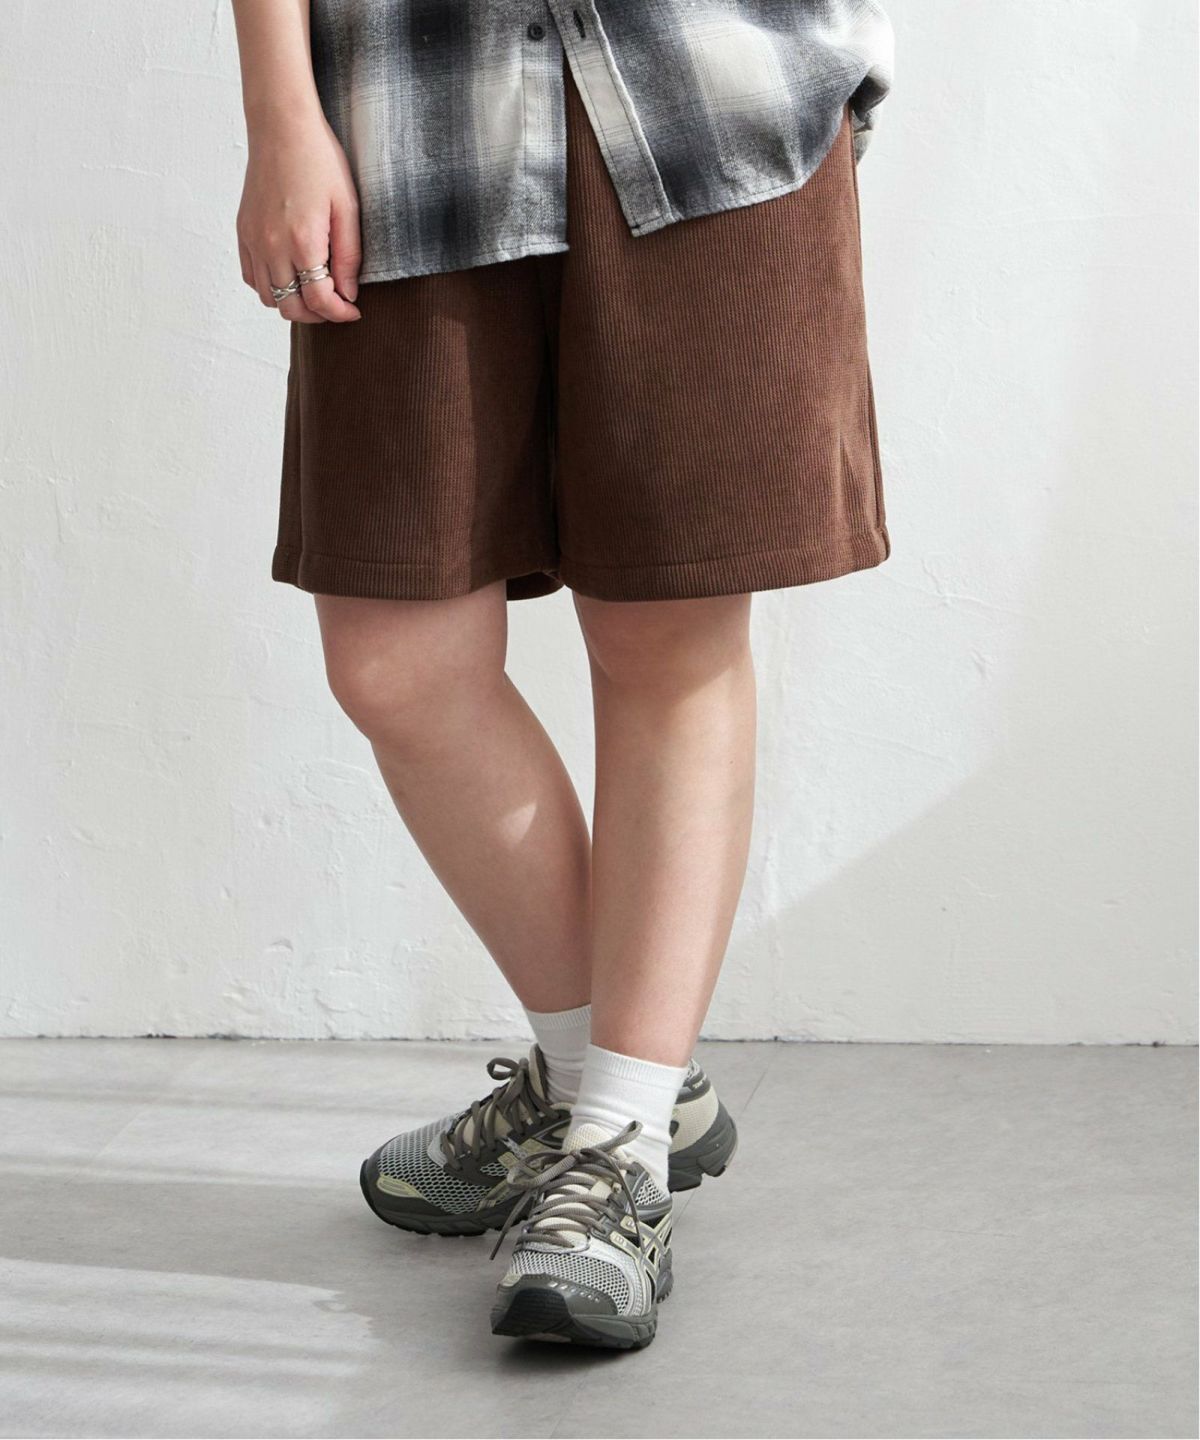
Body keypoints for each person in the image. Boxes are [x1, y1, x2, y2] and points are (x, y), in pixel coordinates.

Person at [231, 0, 893, 1351]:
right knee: (395, 659)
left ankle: (615, 1142)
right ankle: (615, 1082)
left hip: (712, 97)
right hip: (410, 120)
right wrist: (280, 113)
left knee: (666, 639)